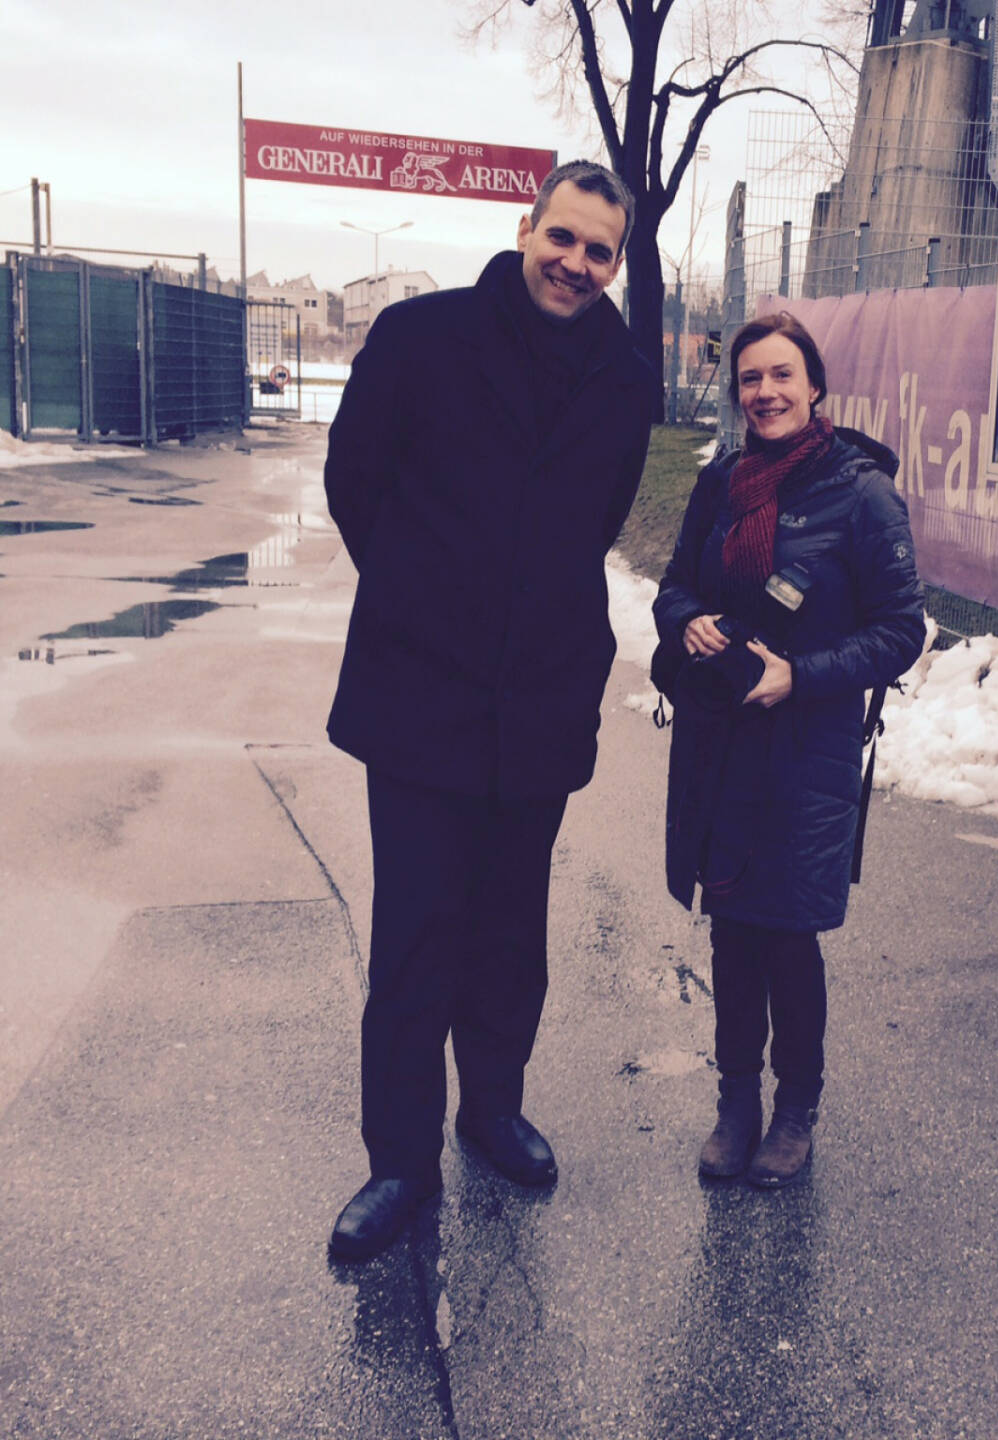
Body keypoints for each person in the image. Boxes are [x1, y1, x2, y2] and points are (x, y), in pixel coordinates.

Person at [324, 160, 653, 1261]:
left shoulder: (624, 374)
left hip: (543, 698)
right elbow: (354, 479)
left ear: (616, 263)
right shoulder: (421, 337)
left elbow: (600, 516)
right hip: (421, 691)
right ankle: (399, 1164)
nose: (574, 263)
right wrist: (427, 591)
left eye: (597, 251)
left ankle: (493, 1110)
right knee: (416, 934)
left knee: (512, 932)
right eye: (561, 238)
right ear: (526, 229)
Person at [652, 311, 926, 1188]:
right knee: (732, 931)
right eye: (750, 379)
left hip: (806, 749)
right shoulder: (722, 480)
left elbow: (899, 633)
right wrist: (688, 621)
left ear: (815, 389)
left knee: (788, 939)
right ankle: (737, 1104)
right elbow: (674, 585)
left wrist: (798, 677)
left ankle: (796, 1109)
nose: (764, 392)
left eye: (781, 376)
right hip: (719, 743)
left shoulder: (863, 492)